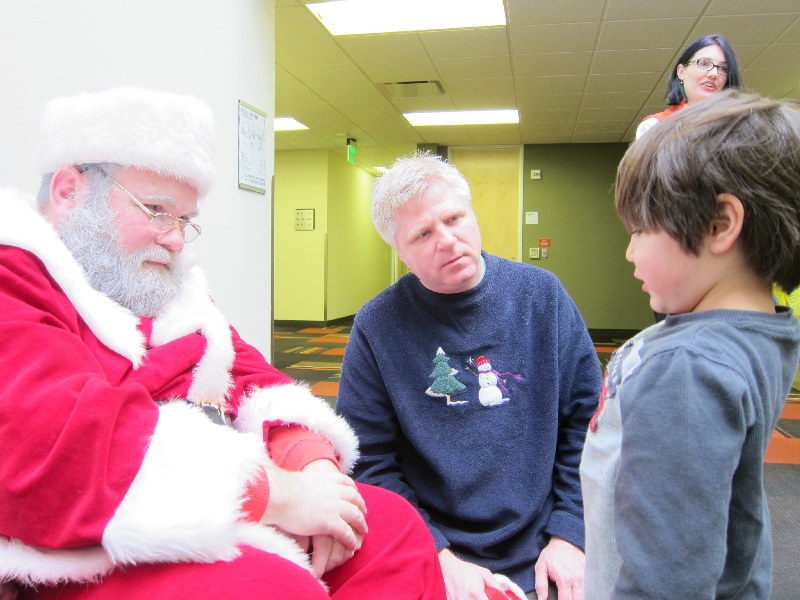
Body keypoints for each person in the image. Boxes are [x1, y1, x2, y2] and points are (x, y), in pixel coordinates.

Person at [0, 87, 446, 600]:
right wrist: (278, 495)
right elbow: (54, 452)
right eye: (157, 209)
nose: (174, 238)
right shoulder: (15, 277)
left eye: (184, 220)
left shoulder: (165, 292)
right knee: (270, 589)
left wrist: (313, 467)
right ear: (68, 192)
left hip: (199, 498)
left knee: (391, 530)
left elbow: (253, 378)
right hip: (80, 544)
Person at [335, 153, 602, 600]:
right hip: (433, 546)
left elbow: (589, 424)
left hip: (546, 542)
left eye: (454, 218)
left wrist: (571, 533)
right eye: (422, 234)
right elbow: (369, 458)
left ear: (473, 215)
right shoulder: (377, 325)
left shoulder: (542, 296)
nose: (447, 240)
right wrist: (434, 552)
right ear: (400, 252)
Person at [580, 91, 800, 600]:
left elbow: (666, 579)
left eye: (640, 230)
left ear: (719, 224)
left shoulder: (686, 367)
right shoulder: (762, 328)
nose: (630, 252)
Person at [636, 34, 742, 140]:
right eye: (704, 63)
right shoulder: (655, 126)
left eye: (723, 68)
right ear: (681, 72)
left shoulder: (740, 127)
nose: (714, 73)